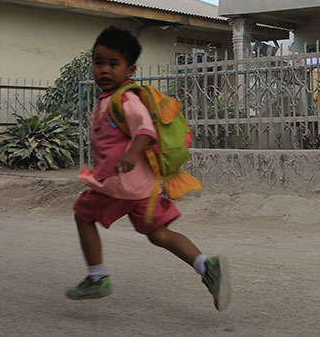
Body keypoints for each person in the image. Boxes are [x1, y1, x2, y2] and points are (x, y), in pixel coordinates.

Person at [67, 25, 231, 310]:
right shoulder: (107, 99)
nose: (104, 70)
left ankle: (97, 276)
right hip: (143, 188)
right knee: (158, 234)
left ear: (130, 70)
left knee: (83, 215)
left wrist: (130, 154)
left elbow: (145, 131)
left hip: (119, 185)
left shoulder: (126, 100)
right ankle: (206, 266)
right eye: (98, 63)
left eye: (113, 64)